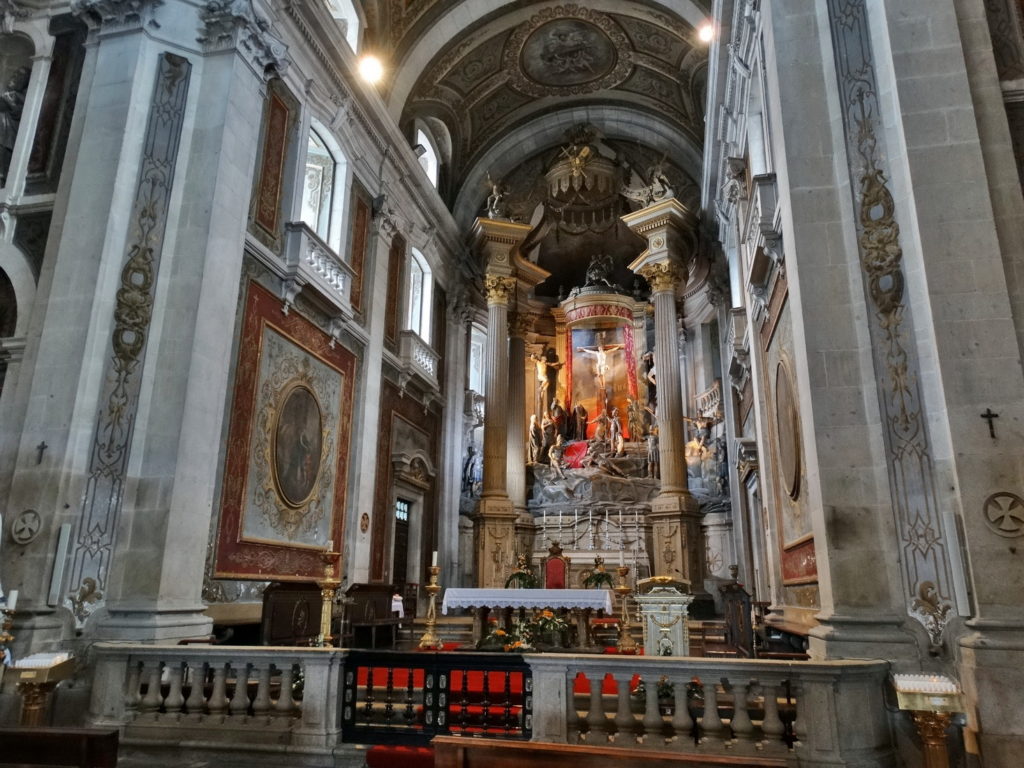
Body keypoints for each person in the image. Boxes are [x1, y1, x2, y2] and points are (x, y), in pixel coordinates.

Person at [0, 66, 30, 186]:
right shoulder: (7, 94)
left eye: (20, 75)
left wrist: (10, 102)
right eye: (15, 73)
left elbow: (21, 113)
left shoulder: (22, 98)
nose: (14, 76)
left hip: (8, 135)